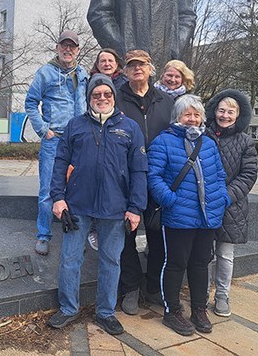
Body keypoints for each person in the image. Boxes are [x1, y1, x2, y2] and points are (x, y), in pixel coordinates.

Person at [46, 74, 147, 335]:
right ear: (89, 97)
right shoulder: (75, 125)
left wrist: (135, 208)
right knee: (69, 259)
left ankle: (106, 312)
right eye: (96, 94)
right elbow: (59, 162)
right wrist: (58, 197)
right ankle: (68, 308)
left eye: (107, 94)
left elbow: (138, 171)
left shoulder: (130, 128)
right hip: (77, 206)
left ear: (113, 96)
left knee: (111, 261)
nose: (102, 98)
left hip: (115, 208)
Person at [147, 94, 230, 336]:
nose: (192, 119)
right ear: (177, 117)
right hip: (179, 215)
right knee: (175, 263)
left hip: (207, 216)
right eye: (187, 114)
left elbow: (220, 176)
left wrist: (221, 198)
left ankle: (199, 309)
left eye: (196, 114)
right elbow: (153, 177)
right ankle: (171, 311)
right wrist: (169, 200)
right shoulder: (164, 142)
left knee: (200, 263)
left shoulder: (209, 143)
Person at [114, 49, 174, 315]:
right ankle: (130, 287)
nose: (137, 68)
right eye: (132, 65)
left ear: (151, 69)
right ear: (125, 71)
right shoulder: (115, 100)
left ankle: (153, 289)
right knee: (126, 236)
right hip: (125, 179)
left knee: (158, 237)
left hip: (159, 180)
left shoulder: (167, 102)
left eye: (142, 64)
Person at [24, 30, 88, 256]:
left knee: (79, 188)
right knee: (48, 191)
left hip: (79, 142)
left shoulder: (83, 74)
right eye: (64, 45)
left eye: (72, 46)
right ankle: (43, 234)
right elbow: (31, 102)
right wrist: (43, 130)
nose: (68, 49)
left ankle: (76, 231)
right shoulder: (46, 73)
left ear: (78, 50)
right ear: (57, 47)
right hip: (55, 140)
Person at [204, 89, 258, 317]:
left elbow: (248, 174)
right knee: (204, 255)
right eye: (221, 110)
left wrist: (226, 195)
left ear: (238, 115)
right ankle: (202, 293)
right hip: (204, 205)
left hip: (230, 206)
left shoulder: (245, 141)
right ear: (215, 110)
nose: (225, 115)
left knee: (225, 255)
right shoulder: (204, 135)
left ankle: (222, 296)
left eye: (231, 112)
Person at [85, 48, 128, 251]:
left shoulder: (124, 83)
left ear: (116, 63)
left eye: (110, 60)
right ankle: (93, 229)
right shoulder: (88, 80)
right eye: (103, 60)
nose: (107, 63)